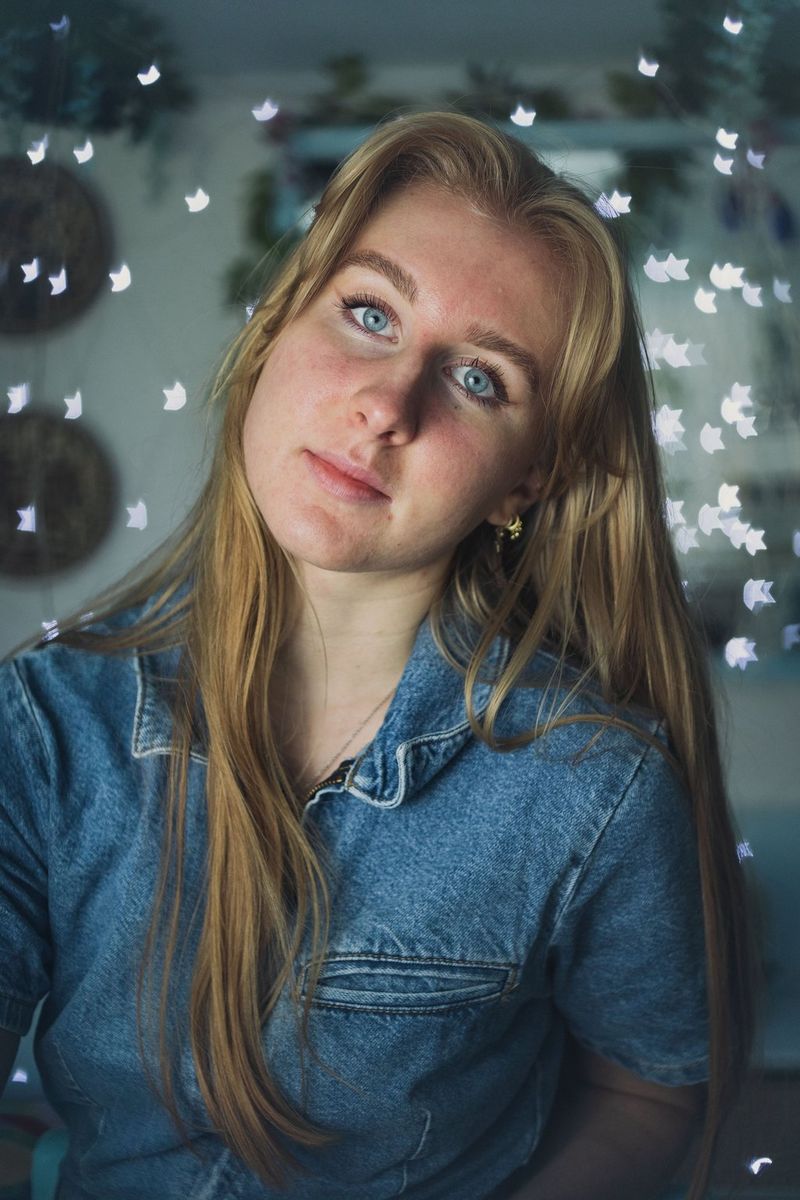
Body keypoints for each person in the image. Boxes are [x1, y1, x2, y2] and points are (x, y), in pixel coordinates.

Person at [0, 109, 763, 1200]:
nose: (384, 407)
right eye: (368, 314)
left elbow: (649, 1092)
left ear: (525, 483)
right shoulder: (38, 734)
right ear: (274, 329)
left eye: (477, 380)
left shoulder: (594, 786)